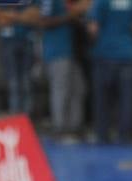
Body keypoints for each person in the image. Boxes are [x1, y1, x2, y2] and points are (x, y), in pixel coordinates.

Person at [87, 0, 132, 142]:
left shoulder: (100, 2)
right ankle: (125, 135)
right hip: (127, 53)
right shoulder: (130, 2)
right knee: (126, 98)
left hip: (105, 53)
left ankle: (102, 134)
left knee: (102, 99)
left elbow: (93, 28)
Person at [38, 0, 89, 139]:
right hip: (57, 52)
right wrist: (69, 16)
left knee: (78, 89)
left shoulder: (69, 2)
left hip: (73, 53)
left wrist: (77, 18)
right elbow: (43, 21)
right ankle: (59, 128)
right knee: (61, 91)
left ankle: (74, 127)